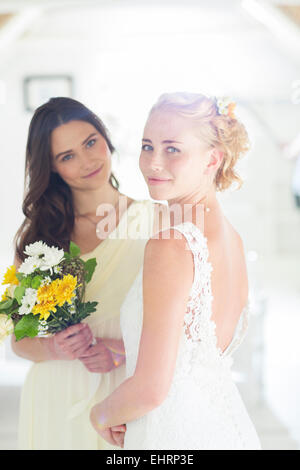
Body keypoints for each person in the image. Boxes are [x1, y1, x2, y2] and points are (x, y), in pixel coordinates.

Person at [90, 92, 261, 450]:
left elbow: (151, 389)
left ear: (212, 159)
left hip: (172, 436)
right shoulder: (233, 239)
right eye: (147, 145)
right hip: (228, 430)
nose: (152, 162)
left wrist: (100, 414)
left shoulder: (171, 244)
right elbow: (191, 347)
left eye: (172, 149)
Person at [11, 97, 156, 450]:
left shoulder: (157, 221)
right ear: (53, 168)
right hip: (56, 398)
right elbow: (20, 341)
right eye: (67, 156)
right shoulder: (39, 237)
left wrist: (120, 352)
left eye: (91, 142)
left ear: (106, 138)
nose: (87, 160)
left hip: (127, 392)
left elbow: (184, 330)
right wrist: (57, 347)